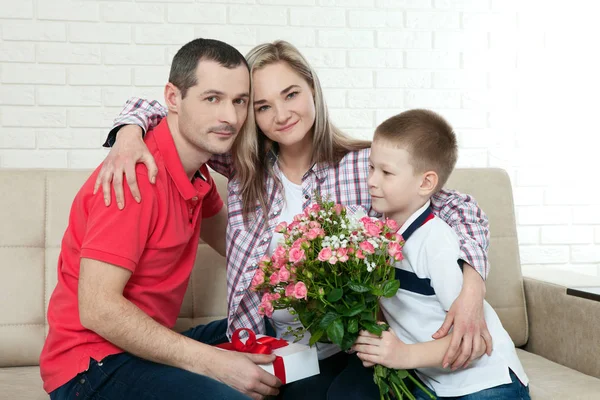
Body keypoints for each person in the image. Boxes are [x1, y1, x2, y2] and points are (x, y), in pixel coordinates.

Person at [98, 41, 492, 399]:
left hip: (347, 347)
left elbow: (459, 207)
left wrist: (471, 290)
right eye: (263, 106)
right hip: (267, 347)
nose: (281, 115)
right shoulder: (241, 164)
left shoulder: (361, 165)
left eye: (291, 95)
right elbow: (171, 111)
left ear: (313, 90)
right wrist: (128, 135)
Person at [39, 38, 282, 400]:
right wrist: (215, 363)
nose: (230, 118)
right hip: (90, 368)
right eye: (212, 98)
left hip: (142, 351)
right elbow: (97, 310)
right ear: (173, 98)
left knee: (269, 334)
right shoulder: (135, 179)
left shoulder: (198, 177)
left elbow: (241, 250)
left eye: (239, 101)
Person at [347, 109, 530, 399]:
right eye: (371, 168)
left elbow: (477, 343)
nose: (371, 181)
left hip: (486, 383)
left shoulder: (436, 241)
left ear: (426, 183)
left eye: (386, 173)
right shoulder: (378, 237)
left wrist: (403, 355)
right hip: (437, 384)